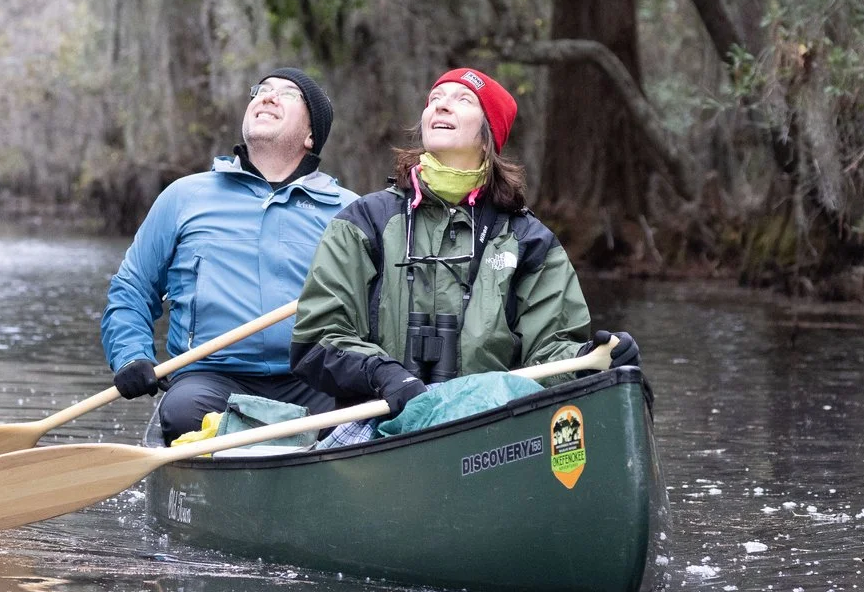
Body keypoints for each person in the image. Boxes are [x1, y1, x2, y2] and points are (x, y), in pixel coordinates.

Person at [291, 66, 637, 415]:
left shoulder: (529, 241)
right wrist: (383, 374)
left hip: (485, 431)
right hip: (378, 422)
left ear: (488, 135)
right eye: (435, 99)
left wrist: (587, 359)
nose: (440, 106)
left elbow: (550, 353)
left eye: (463, 99)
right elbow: (317, 339)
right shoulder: (364, 222)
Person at [102, 68, 352, 440]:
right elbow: (132, 289)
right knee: (183, 413)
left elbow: (379, 309)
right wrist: (132, 355)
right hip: (211, 380)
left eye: (287, 94)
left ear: (312, 134)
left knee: (361, 417)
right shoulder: (185, 197)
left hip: (315, 376)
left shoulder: (348, 212)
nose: (267, 96)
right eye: (262, 90)